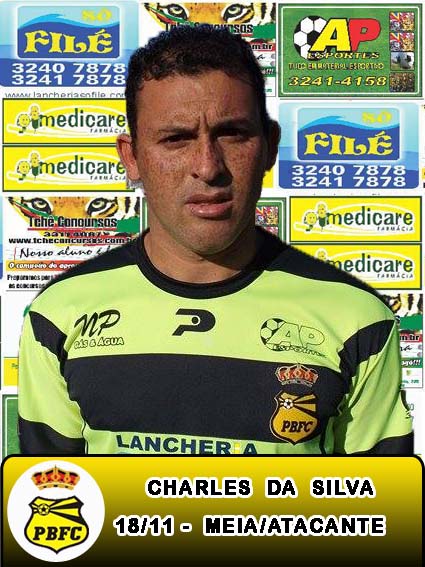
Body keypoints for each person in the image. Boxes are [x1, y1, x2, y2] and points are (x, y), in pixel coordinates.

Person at [18, 25, 413, 455]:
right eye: (176, 139)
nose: (208, 167)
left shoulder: (357, 320)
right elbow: (48, 491)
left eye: (232, 134)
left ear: (270, 146)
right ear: (132, 157)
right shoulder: (58, 315)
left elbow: (381, 498)